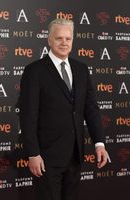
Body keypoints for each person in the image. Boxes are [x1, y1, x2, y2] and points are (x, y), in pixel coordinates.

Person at [19, 18, 107, 200]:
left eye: (68, 38)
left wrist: (99, 143)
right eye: (59, 38)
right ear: (49, 40)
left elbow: (91, 109)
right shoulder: (34, 71)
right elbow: (28, 116)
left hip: (75, 155)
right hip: (46, 157)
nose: (64, 42)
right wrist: (33, 153)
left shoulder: (82, 69)